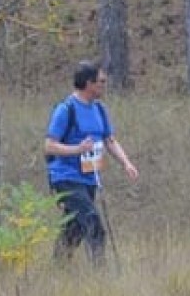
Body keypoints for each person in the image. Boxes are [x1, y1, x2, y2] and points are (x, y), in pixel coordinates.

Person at [45, 61, 139, 264]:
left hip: (89, 177)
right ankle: (100, 275)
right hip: (66, 178)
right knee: (92, 223)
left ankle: (57, 269)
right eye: (101, 82)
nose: (104, 86)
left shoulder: (100, 109)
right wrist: (77, 149)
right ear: (89, 83)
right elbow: (50, 146)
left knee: (73, 228)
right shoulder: (66, 109)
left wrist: (126, 163)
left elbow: (109, 140)